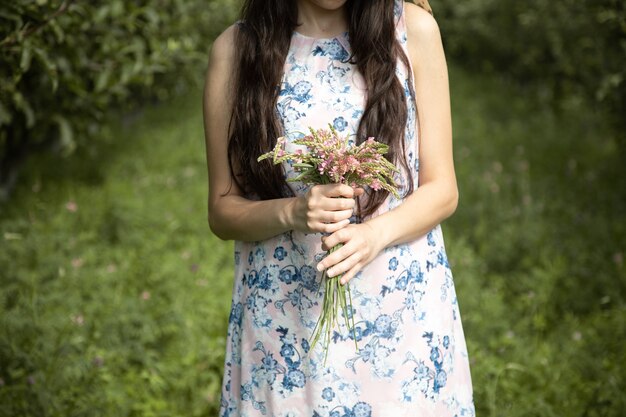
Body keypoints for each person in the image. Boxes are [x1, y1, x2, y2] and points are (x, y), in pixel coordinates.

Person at [203, 0, 475, 415]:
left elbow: (443, 189)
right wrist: (292, 212)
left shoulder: (411, 30)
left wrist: (374, 234)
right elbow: (223, 211)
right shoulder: (236, 51)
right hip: (287, 327)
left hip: (400, 321)